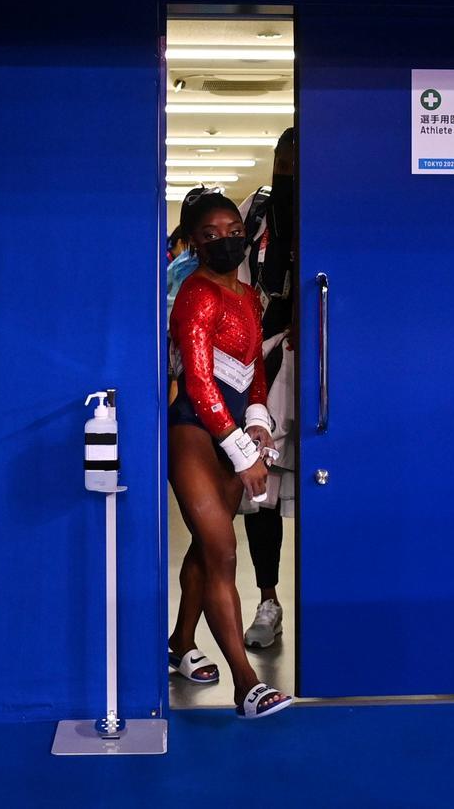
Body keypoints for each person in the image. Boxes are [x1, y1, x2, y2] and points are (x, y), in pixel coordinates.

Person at [166, 190, 293, 720]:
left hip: (232, 429)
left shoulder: (246, 295)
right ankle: (246, 684)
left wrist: (259, 424)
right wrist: (241, 451)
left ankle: (177, 645)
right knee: (222, 552)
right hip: (195, 430)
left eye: (233, 230)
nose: (226, 240)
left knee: (206, 546)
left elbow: (256, 371)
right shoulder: (195, 294)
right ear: (194, 243)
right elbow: (197, 381)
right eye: (211, 234)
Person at [236, 128, 296, 648]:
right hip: (268, 360)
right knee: (264, 493)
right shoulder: (259, 212)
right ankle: (269, 599)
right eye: (284, 157)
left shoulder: (348, 202)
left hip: (331, 365)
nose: (290, 165)